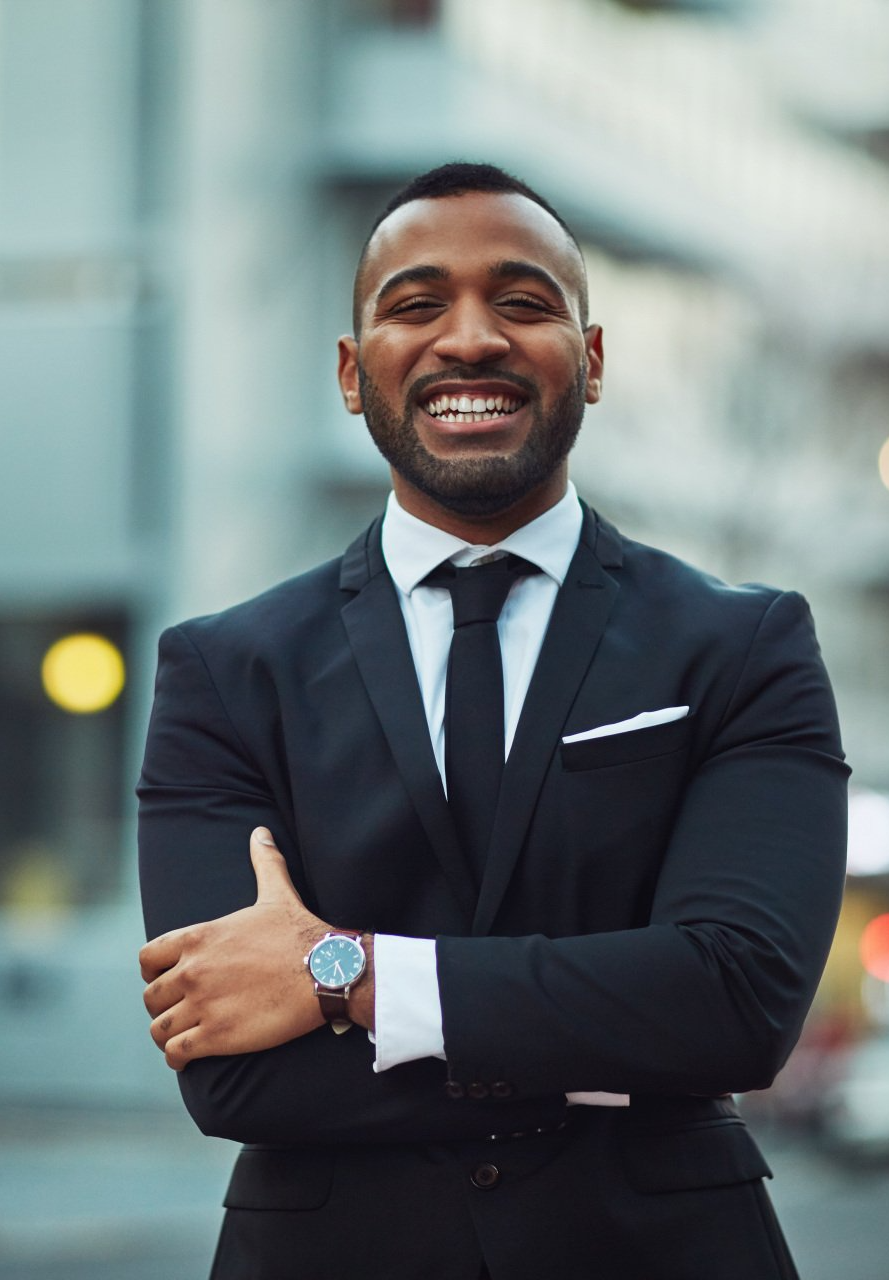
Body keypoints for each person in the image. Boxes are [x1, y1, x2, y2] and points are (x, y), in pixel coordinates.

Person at [138, 161, 848, 1280]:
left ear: (594, 359)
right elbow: (232, 1068)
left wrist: (341, 974)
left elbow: (736, 1006)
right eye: (415, 305)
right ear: (350, 370)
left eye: (523, 302)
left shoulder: (743, 646)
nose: (469, 340)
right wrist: (613, 1039)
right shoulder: (225, 671)